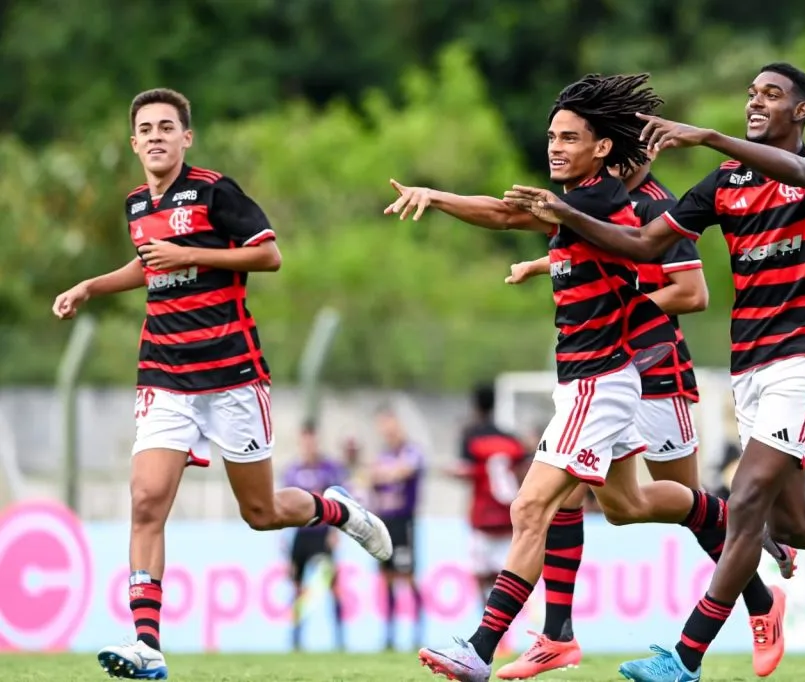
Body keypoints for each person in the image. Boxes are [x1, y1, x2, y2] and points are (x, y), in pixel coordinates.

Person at [505, 62, 805, 682]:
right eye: (753, 92)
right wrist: (563, 220)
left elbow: (798, 172)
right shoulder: (723, 183)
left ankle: (685, 657)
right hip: (751, 364)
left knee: (747, 501)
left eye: (773, 94)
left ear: (802, 111)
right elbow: (645, 246)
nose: (756, 101)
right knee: (793, 522)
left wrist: (706, 136)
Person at [385, 73, 733, 682]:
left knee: (529, 506)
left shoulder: (594, 199)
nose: (554, 147)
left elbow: (649, 257)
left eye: (569, 138)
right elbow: (502, 212)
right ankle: (728, 517)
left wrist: (561, 219)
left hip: (599, 384)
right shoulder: (574, 201)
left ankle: (480, 648)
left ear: (602, 148)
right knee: (626, 505)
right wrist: (437, 197)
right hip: (594, 382)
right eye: (552, 136)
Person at [51, 88, 393, 681]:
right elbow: (148, 263)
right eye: (146, 129)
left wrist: (191, 251)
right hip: (164, 373)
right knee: (145, 500)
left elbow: (269, 257)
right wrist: (90, 286)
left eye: (167, 127)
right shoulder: (136, 204)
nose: (156, 136)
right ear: (134, 143)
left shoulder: (216, 192)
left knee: (260, 512)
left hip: (232, 372)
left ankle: (336, 510)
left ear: (187, 137)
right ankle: (148, 647)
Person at [496, 153, 796, 680]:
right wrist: (543, 265)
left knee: (686, 508)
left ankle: (758, 590)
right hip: (610, 372)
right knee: (568, 489)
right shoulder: (602, 201)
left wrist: (621, 313)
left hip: (658, 373)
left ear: (645, 153)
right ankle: (557, 634)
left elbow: (692, 292)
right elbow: (603, 259)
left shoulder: (661, 208)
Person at [447, 383, 528, 606]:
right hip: (509, 515)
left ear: (474, 406)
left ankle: (488, 625)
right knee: (507, 578)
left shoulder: (470, 437)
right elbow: (523, 471)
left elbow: (465, 471)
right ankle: (504, 634)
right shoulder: (511, 438)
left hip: (482, 516)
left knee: (481, 577)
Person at [281, 420, 347, 651]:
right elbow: (282, 507)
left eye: (312, 439)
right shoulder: (292, 471)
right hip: (301, 535)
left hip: (322, 534)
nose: (309, 444)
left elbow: (340, 501)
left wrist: (336, 532)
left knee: (332, 587)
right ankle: (296, 639)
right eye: (305, 439)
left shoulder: (329, 469)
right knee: (298, 589)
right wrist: (283, 543)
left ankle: (340, 639)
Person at [370, 405, 427, 650]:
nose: (388, 431)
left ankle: (417, 632)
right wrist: (386, 474)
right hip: (385, 523)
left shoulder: (413, 451)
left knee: (408, 577)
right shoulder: (383, 455)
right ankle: (390, 635)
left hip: (404, 523)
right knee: (387, 578)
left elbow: (400, 472)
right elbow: (372, 478)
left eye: (391, 425)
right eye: (384, 427)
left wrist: (387, 474)